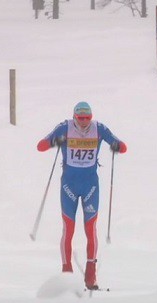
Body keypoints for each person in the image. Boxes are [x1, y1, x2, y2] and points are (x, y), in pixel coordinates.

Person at [37, 101, 127, 290]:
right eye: (81, 118)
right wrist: (55, 141)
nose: (84, 122)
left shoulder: (99, 128)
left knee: (90, 228)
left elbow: (122, 145)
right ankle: (66, 274)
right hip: (69, 185)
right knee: (68, 229)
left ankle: (91, 275)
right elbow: (40, 146)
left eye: (87, 118)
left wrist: (117, 146)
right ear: (74, 116)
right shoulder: (65, 127)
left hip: (90, 186)